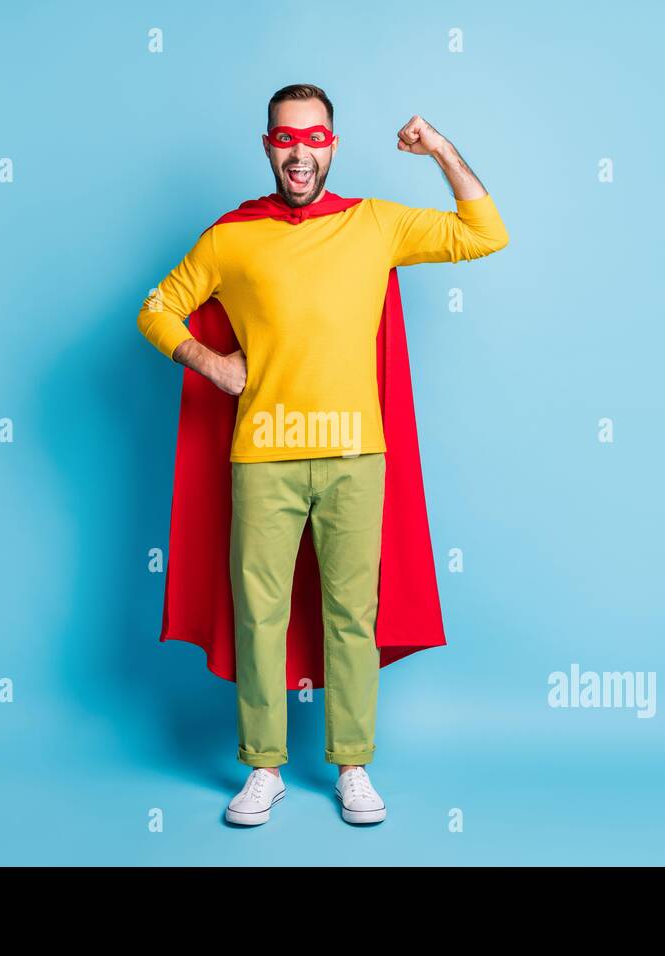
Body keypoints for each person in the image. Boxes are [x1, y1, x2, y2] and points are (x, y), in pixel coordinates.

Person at [137, 83, 509, 826]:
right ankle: (264, 769)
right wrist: (213, 364)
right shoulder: (230, 237)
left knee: (351, 617)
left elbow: (484, 231)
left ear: (331, 145)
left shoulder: (375, 225)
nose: (299, 151)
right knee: (259, 616)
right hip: (263, 457)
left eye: (313, 138)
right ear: (269, 146)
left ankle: (352, 767)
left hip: (354, 457)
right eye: (285, 138)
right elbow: (156, 307)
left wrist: (438, 147)